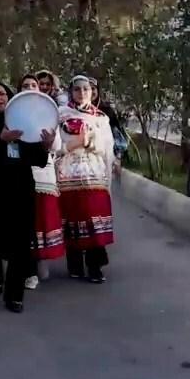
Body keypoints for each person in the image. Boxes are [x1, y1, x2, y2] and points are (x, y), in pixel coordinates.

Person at [0, 81, 55, 313]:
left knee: (21, 245)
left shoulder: (25, 122)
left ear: (10, 97)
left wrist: (45, 146)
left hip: (20, 192)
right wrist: (1, 141)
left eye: (2, 94)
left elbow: (38, 159)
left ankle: (15, 295)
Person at [56, 75, 116, 283]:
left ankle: (95, 266)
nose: (82, 93)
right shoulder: (61, 115)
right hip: (67, 176)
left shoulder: (101, 118)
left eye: (86, 90)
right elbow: (56, 144)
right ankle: (74, 264)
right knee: (72, 218)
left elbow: (107, 149)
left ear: (93, 92)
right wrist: (73, 144)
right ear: (70, 92)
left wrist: (91, 142)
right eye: (77, 90)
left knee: (94, 218)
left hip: (94, 175)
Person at [19, 74, 65, 285]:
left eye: (33, 85)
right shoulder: (14, 112)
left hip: (43, 175)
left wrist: (50, 140)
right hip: (19, 174)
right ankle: (26, 269)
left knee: (41, 221)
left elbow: (56, 147)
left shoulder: (49, 112)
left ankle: (40, 264)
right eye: (25, 85)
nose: (30, 88)